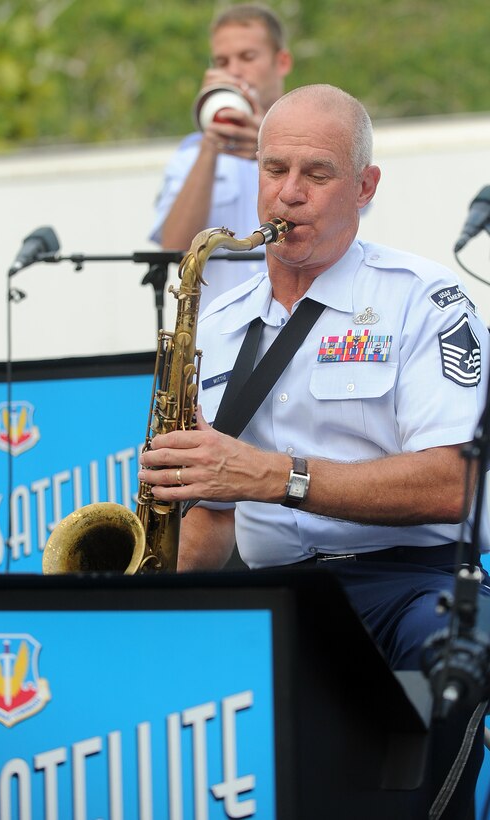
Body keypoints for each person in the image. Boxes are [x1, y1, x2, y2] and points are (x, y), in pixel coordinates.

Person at [139, 84, 490, 818]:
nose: (287, 195)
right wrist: (135, 582)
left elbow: (458, 484)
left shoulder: (423, 300)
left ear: (365, 187)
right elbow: (216, 521)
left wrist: (277, 476)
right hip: (274, 595)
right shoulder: (217, 322)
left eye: (317, 175)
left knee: (466, 656)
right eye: (274, 171)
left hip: (407, 586)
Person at [148, 3, 293, 310]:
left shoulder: (311, 137)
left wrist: (268, 147)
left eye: (247, 57)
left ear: (281, 62)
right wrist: (209, 144)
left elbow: (347, 212)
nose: (234, 71)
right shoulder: (191, 153)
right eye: (222, 61)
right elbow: (175, 248)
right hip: (219, 337)